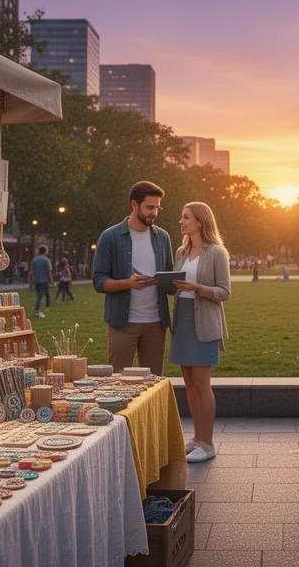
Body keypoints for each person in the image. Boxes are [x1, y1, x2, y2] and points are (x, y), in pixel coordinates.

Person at [168, 202, 231, 463]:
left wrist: (197, 287)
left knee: (202, 384)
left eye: (186, 217)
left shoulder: (216, 252)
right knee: (189, 384)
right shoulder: (182, 251)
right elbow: (175, 284)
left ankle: (209, 443)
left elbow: (224, 292)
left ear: (200, 222)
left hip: (204, 322)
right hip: (182, 319)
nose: (181, 222)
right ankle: (197, 438)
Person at [93, 181, 173, 376]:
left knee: (154, 382)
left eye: (157, 208)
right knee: (118, 381)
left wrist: (175, 282)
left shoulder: (162, 237)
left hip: (156, 322)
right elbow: (98, 281)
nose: (154, 212)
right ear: (134, 205)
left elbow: (169, 276)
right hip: (122, 322)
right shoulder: (110, 236)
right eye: (149, 207)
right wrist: (128, 283)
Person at [29, 246, 53, 318]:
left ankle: (48, 305)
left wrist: (31, 279)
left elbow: (32, 271)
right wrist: (51, 280)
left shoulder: (34, 260)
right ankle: (37, 309)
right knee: (40, 296)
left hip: (37, 281)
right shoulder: (46, 260)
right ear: (45, 251)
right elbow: (49, 272)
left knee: (46, 293)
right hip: (44, 280)